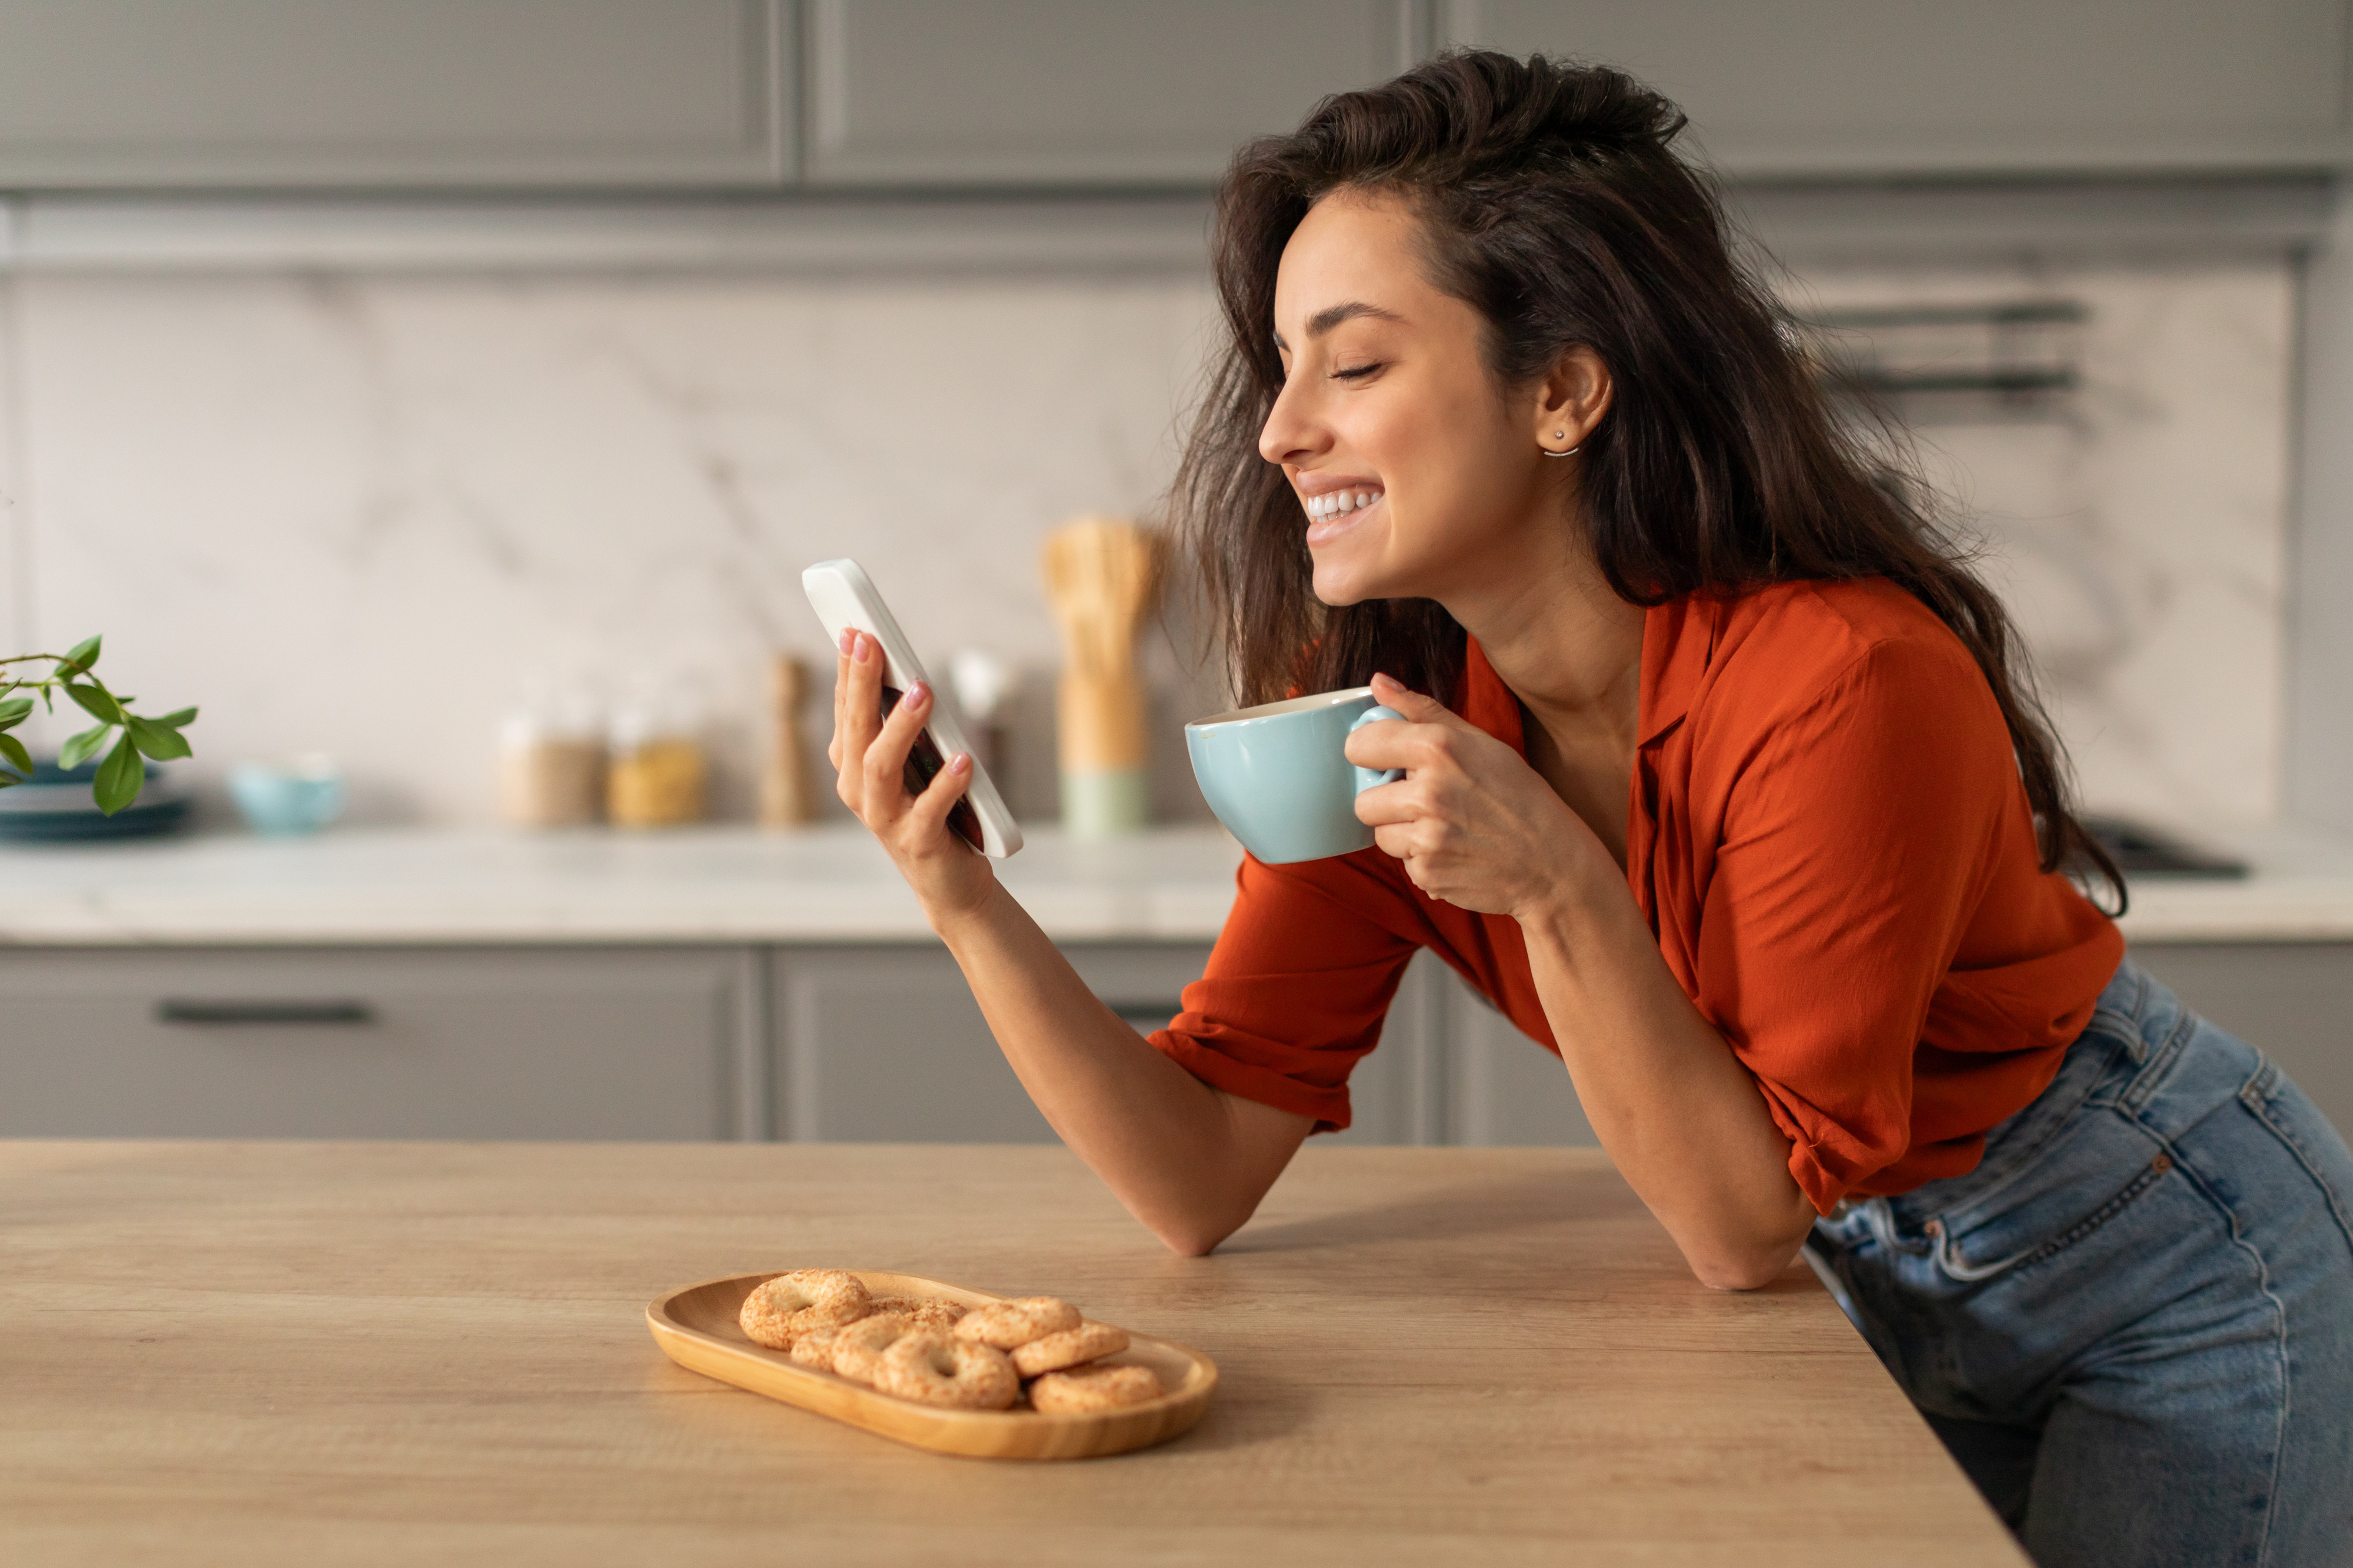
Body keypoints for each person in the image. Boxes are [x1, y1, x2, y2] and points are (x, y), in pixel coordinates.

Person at [828, 50, 2353, 1568]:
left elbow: (1744, 1226)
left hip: (2171, 1257)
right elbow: (1199, 1168)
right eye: (1281, 368)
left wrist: (1558, 884)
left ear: (1561, 390)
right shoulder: (1376, 704)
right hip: (1875, 1273)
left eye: (1350, 366)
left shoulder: (1844, 680)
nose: (1280, 430)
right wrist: (963, 897)